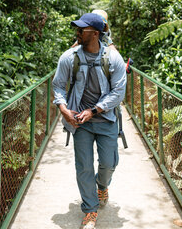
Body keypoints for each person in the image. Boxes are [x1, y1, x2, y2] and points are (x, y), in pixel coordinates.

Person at [52, 12, 127, 229]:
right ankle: (90, 210)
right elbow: (58, 85)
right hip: (79, 122)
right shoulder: (69, 57)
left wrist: (94, 110)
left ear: (95, 34)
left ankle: (102, 185)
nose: (77, 32)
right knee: (83, 166)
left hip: (105, 119)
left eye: (81, 29)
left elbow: (118, 92)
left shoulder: (113, 58)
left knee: (109, 163)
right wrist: (64, 110)